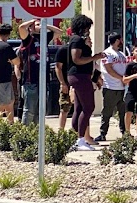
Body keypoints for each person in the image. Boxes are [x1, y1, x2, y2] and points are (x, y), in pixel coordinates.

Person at [67, 15, 105, 151]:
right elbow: (76, 59)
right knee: (88, 107)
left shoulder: (78, 40)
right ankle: (80, 139)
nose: (88, 30)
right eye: (87, 27)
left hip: (80, 76)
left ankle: (75, 138)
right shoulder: (77, 40)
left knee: (79, 108)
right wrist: (95, 57)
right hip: (80, 76)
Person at [15, 19, 56, 125]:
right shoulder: (28, 39)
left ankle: (37, 131)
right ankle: (25, 131)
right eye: (37, 25)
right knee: (29, 110)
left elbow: (59, 32)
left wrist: (46, 26)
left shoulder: (45, 38)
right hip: (31, 80)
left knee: (40, 110)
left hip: (44, 80)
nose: (40, 26)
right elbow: (21, 28)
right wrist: (32, 21)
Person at [99, 32, 128, 141]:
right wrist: (121, 78)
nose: (122, 42)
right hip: (110, 87)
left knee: (123, 112)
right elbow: (109, 70)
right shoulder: (107, 53)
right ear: (116, 41)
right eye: (120, 39)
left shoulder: (121, 54)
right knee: (107, 112)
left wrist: (125, 80)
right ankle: (103, 133)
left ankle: (124, 133)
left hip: (122, 88)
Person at [0, 25, 19, 122]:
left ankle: (10, 124)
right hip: (1, 79)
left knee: (10, 102)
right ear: (8, 34)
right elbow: (17, 61)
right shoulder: (6, 47)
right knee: (3, 104)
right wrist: (11, 61)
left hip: (0, 78)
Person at [53, 41, 72, 131]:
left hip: (78, 82)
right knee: (64, 108)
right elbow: (58, 67)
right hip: (66, 83)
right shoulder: (63, 50)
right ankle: (61, 131)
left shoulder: (82, 49)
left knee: (79, 109)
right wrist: (62, 83)